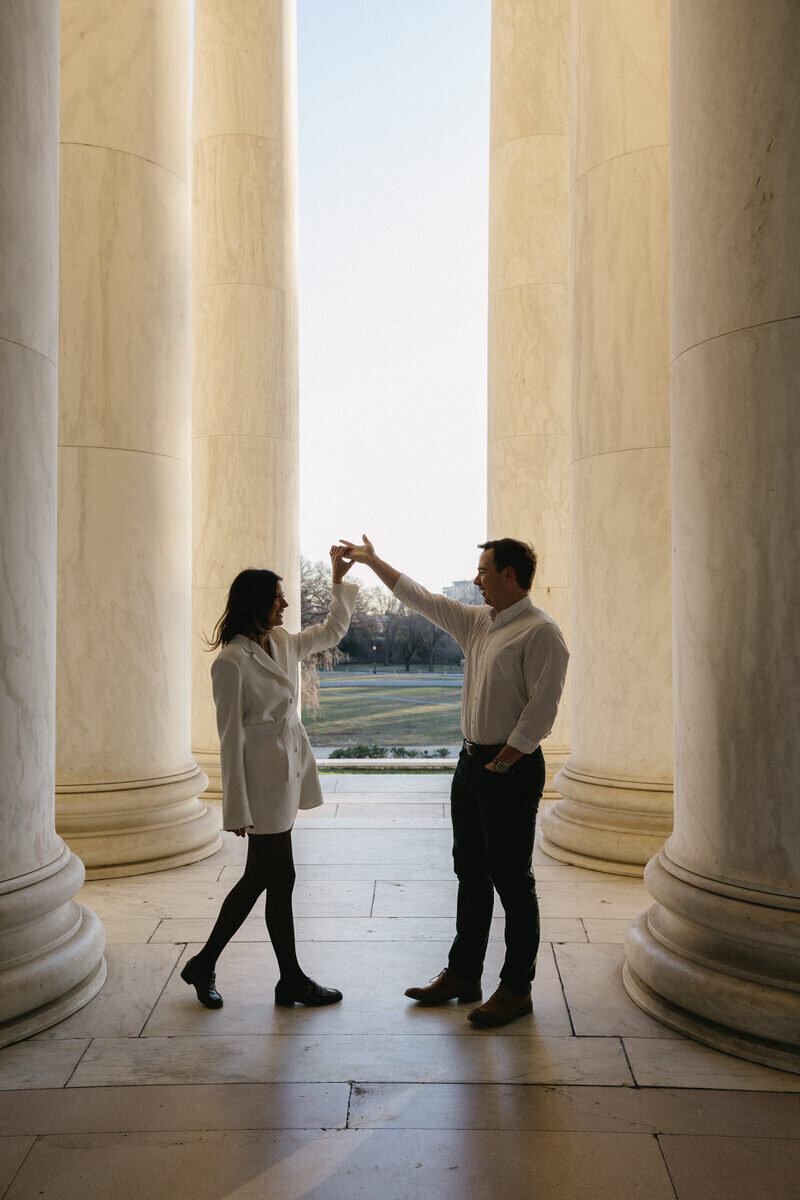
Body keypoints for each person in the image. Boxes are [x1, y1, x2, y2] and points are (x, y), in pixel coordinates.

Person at [339, 534, 568, 1028]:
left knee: (513, 880)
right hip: (470, 767)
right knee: (471, 873)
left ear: (510, 574)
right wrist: (374, 560)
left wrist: (505, 759)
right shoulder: (479, 622)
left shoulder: (540, 631)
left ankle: (516, 988)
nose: (477, 579)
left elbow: (543, 708)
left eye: (484, 570)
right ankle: (465, 975)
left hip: (508, 767)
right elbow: (420, 598)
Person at [180, 545, 357, 1010]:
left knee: (260, 877)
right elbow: (228, 739)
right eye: (278, 598)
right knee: (280, 877)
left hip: (286, 773)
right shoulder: (231, 662)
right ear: (257, 602)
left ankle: (204, 963)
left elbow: (334, 631)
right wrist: (235, 807)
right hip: (259, 785)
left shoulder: (282, 644)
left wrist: (339, 580)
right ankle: (290, 980)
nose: (284, 604)